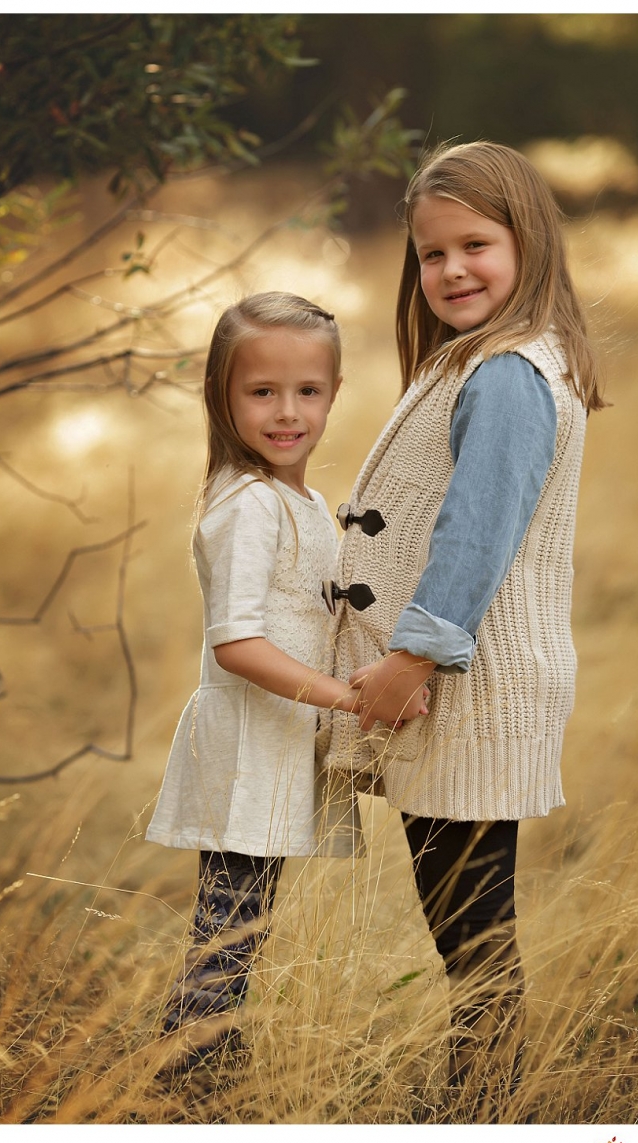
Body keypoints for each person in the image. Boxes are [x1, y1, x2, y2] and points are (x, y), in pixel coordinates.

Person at [324, 140, 607, 1122]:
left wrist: (412, 656)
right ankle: (481, 1097)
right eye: (431, 254)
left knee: (472, 931)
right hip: (456, 681)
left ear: (528, 240)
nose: (450, 270)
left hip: (467, 684)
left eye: (474, 245)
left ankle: (485, 1107)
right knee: (463, 921)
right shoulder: (477, 361)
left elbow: (478, 533)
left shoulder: (511, 377)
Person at [146, 292, 424, 1081]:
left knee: (242, 923)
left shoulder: (299, 501)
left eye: (308, 390)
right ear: (221, 395)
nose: (287, 412)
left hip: (276, 744)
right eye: (262, 391)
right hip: (247, 746)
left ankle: (206, 1066)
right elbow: (236, 642)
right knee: (230, 927)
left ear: (334, 394)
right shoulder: (250, 506)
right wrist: (351, 699)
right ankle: (185, 1078)